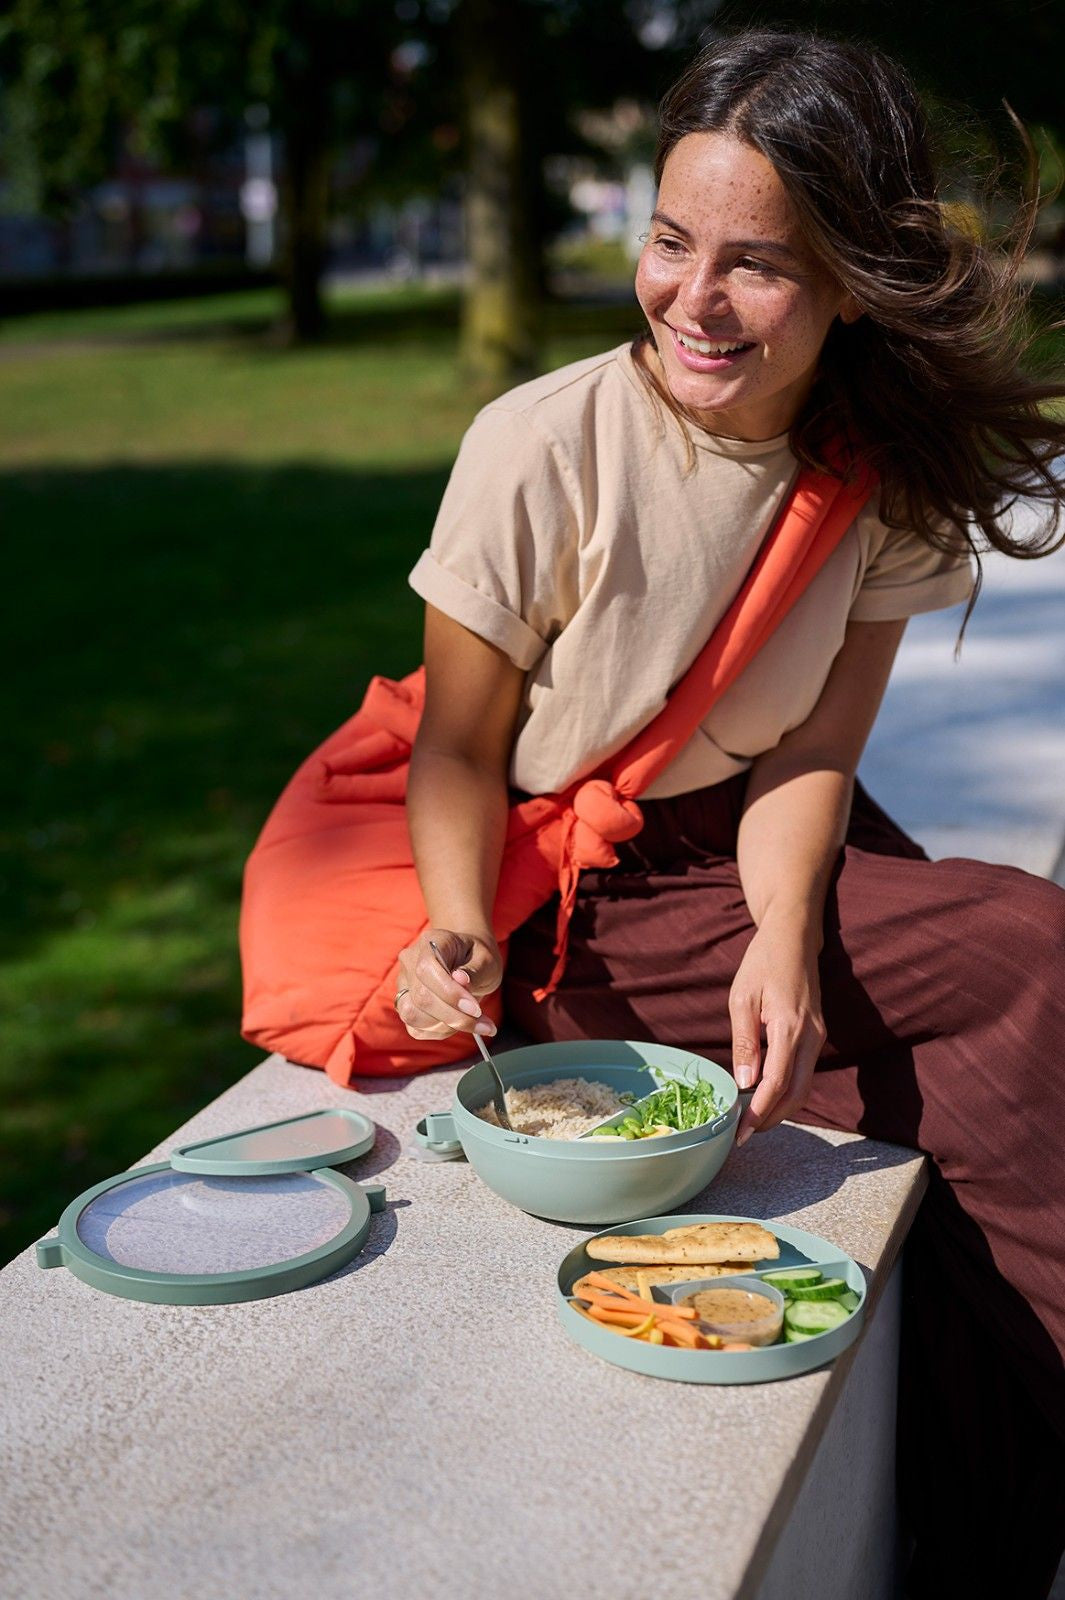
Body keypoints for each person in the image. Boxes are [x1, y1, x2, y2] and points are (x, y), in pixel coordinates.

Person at [393, 30, 1065, 1600]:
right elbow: (457, 751)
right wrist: (454, 925)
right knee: (1027, 955)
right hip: (589, 898)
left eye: (755, 263)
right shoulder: (538, 446)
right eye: (668, 241)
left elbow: (812, 754)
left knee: (988, 1079)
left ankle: (986, 1523)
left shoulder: (883, 469)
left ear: (851, 281)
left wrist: (781, 936)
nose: (693, 298)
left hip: (766, 849)